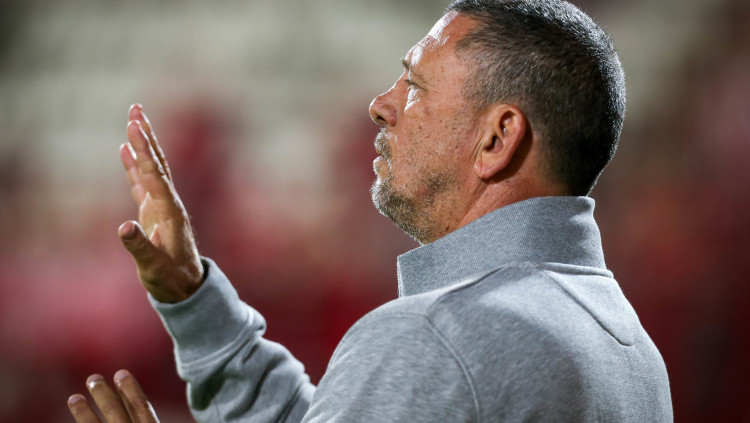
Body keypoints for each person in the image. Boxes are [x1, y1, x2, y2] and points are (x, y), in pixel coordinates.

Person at [67, 0, 673, 421]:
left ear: (497, 138)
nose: (381, 105)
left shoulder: (436, 336)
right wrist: (193, 299)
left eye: (416, 86)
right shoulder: (635, 355)